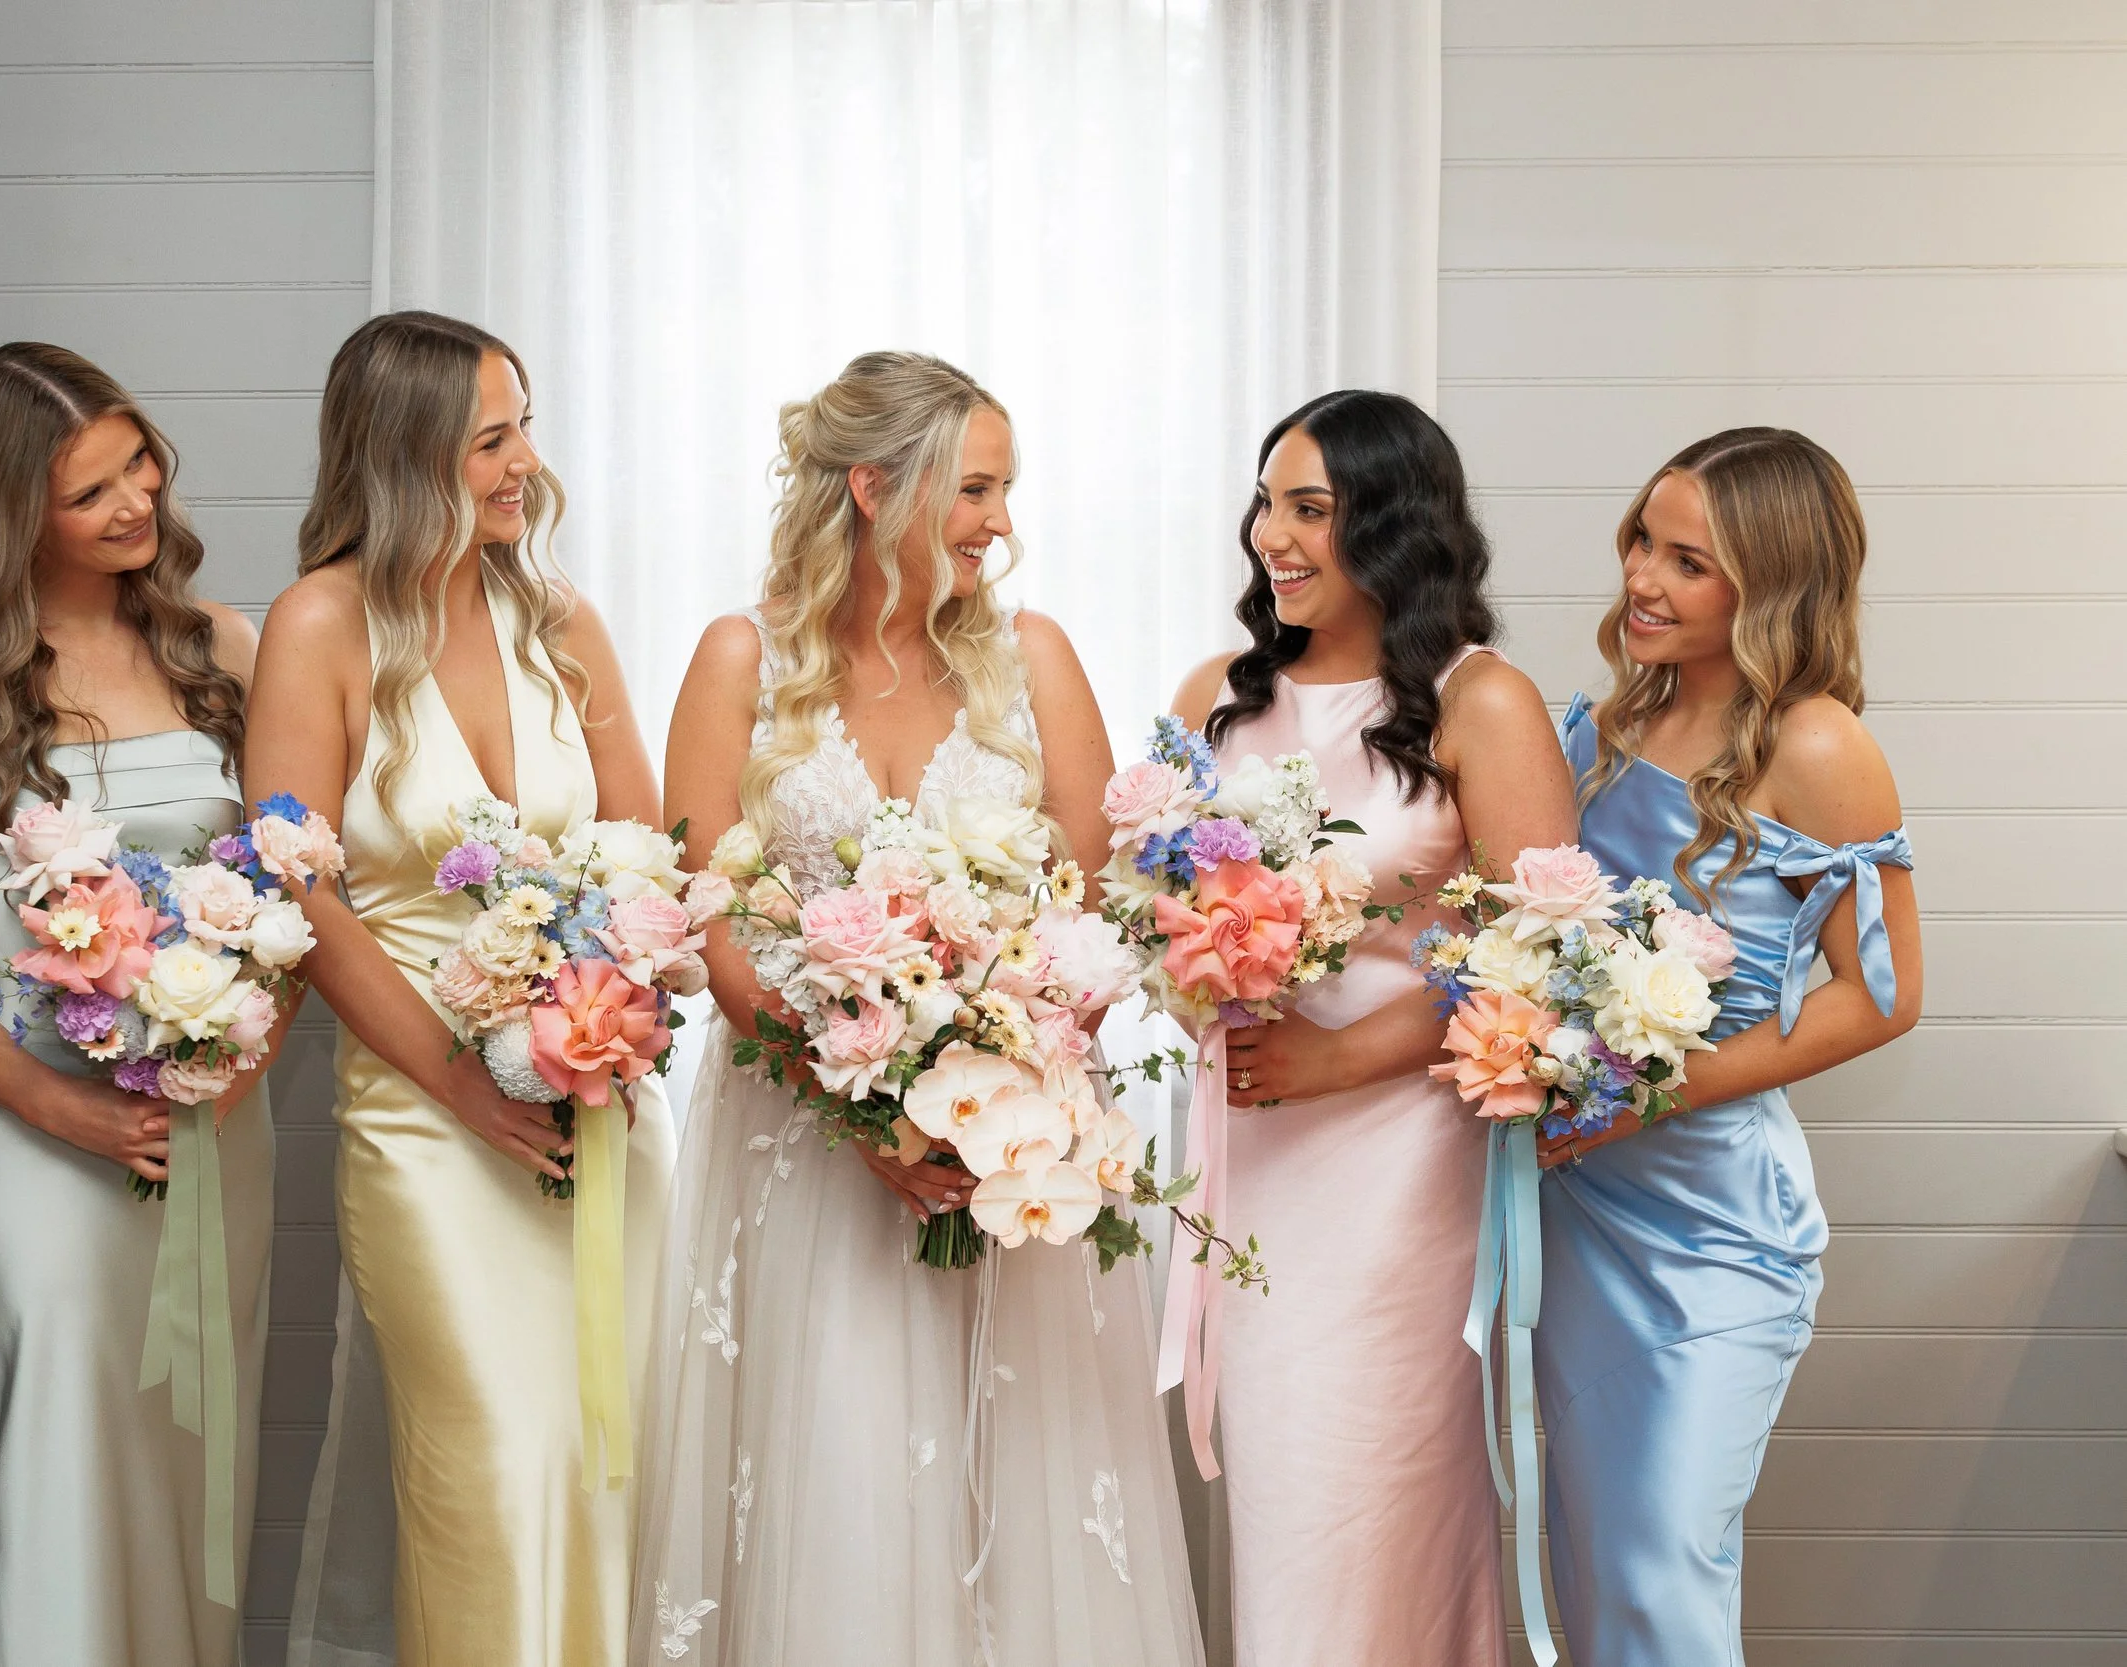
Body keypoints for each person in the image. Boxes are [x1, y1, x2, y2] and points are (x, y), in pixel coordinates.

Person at [635, 351, 1205, 1665]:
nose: (1002, 521)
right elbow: (713, 911)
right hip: (802, 1141)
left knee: (1023, 1481)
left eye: (1006, 490)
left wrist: (987, 1087)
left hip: (1013, 1149)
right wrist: (868, 1112)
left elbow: (1088, 895)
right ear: (873, 485)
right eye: (979, 487)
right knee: (834, 1456)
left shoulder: (1031, 656)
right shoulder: (742, 656)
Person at [0, 342, 271, 1665]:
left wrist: (250, 1054)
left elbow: (297, 893)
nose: (136, 501)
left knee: (198, 1487)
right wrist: (53, 1103)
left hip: (213, 1140)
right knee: (68, 1485)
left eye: (140, 460)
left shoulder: (224, 645)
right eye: (92, 491)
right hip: (42, 1145)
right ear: (11, 510)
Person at [247, 310, 672, 1667]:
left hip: (590, 1109)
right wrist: (462, 1081)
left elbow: (640, 845)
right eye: (493, 437)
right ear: (409, 451)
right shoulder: (318, 624)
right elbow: (298, 891)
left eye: (526, 427)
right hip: (423, 1122)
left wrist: (601, 1021)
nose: (525, 464)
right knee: (487, 1463)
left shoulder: (562, 620)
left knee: (611, 1461)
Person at [1166, 389, 1575, 1665]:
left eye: (1310, 510)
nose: (1271, 537)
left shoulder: (1480, 699)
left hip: (1401, 1168)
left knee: (1372, 1494)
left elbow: (1545, 958)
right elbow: (1147, 895)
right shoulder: (1217, 697)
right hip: (1252, 1157)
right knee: (1283, 1501)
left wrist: (1340, 1055)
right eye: (1265, 501)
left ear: (1392, 527)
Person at [1538, 428, 1922, 1665]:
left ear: (1770, 585)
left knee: (1658, 1564)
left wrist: (1650, 1096)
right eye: (1642, 540)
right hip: (1576, 1211)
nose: (1642, 577)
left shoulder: (1815, 744)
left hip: (1713, 1230)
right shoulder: (1600, 728)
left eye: (1687, 561)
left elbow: (1886, 994)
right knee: (1594, 1559)